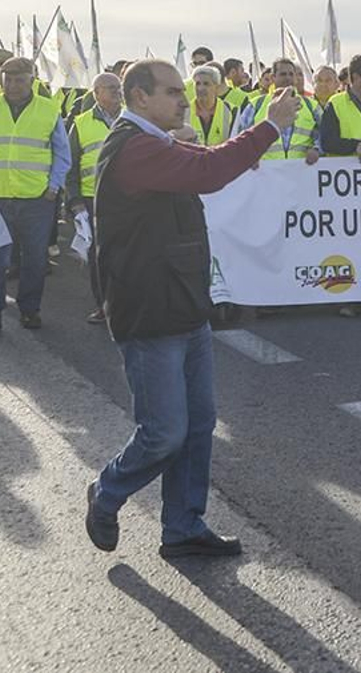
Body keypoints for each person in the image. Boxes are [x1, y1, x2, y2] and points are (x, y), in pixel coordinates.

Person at [84, 60, 298, 559]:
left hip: (183, 304)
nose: (184, 99)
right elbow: (207, 171)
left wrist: (241, 150)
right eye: (173, 91)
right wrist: (269, 126)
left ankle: (182, 528)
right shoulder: (134, 149)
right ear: (139, 98)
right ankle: (108, 492)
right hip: (150, 311)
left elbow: (205, 157)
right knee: (164, 432)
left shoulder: (153, 141)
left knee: (198, 425)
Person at [0, 57, 70, 331]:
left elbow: (62, 153)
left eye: (19, 79)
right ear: (1, 79)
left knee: (35, 258)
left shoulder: (48, 110)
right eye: (8, 79)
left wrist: (54, 186)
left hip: (37, 198)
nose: (13, 85)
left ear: (31, 79)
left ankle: (29, 310)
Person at [69, 73, 123, 322]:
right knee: (98, 257)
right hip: (93, 199)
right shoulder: (80, 123)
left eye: (118, 88)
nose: (117, 92)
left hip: (127, 197)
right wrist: (75, 201)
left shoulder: (131, 118)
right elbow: (70, 166)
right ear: (96, 93)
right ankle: (104, 306)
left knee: (127, 254)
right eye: (111, 88)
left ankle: (126, 305)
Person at [233, 59, 322, 163]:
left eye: (291, 74)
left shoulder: (311, 105)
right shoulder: (256, 105)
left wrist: (316, 149)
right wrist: (249, 156)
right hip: (265, 172)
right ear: (273, 77)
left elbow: (323, 133)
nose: (288, 78)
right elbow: (241, 136)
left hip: (301, 170)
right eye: (283, 74)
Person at [187, 65, 232, 145]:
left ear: (217, 87)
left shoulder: (231, 111)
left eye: (206, 84)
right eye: (197, 84)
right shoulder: (184, 111)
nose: (201, 88)